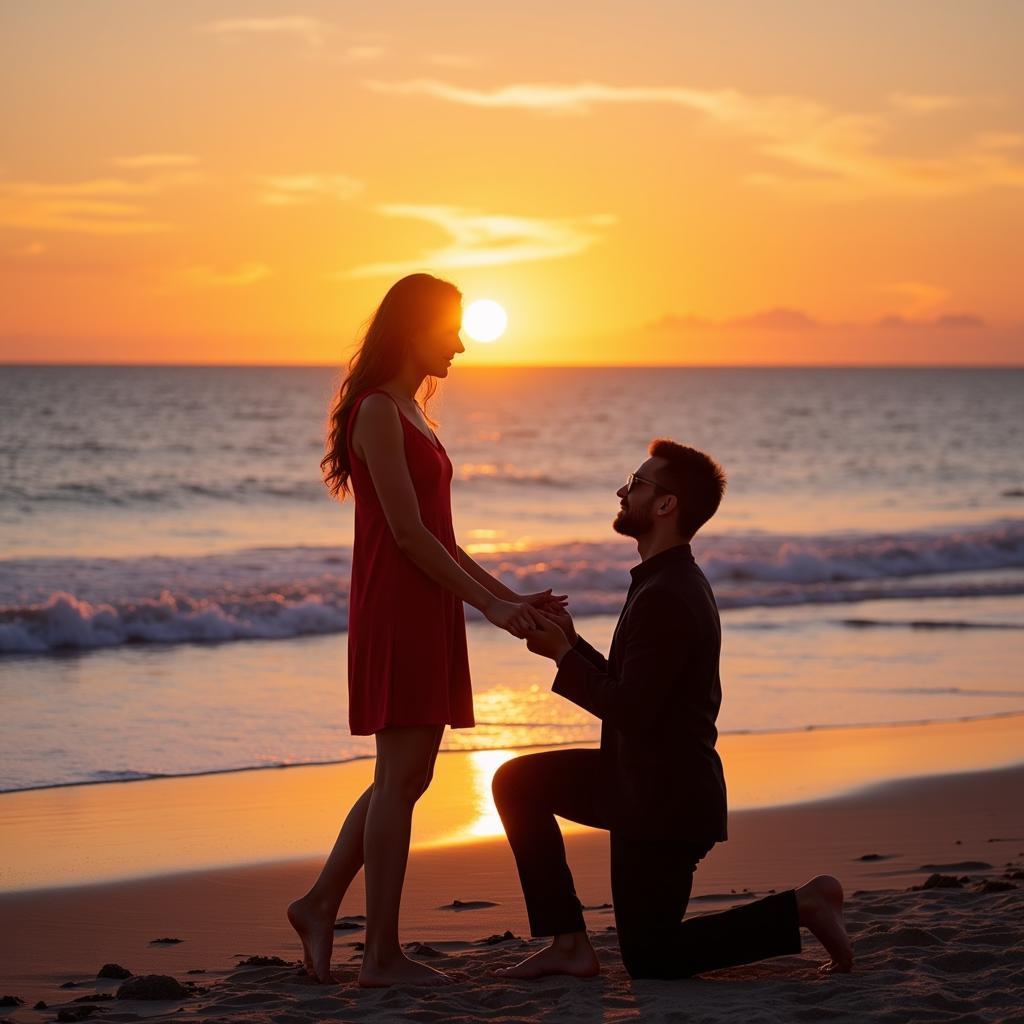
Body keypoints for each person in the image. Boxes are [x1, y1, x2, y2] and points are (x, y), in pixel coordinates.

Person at [287, 273, 566, 988]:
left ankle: (320, 905)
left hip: (428, 602)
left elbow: (441, 536)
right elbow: (409, 538)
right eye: (451, 329)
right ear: (414, 328)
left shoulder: (412, 412)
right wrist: (491, 609)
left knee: (403, 777)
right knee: (401, 776)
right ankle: (378, 954)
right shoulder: (379, 411)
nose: (463, 345)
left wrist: (509, 596)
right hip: (398, 606)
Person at [492, 438, 854, 980]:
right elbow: (635, 687)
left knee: (653, 957)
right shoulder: (665, 580)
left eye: (636, 483)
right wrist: (573, 643)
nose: (623, 490)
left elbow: (632, 711)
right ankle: (568, 943)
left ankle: (803, 906)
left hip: (665, 802)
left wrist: (564, 656)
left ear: (665, 505)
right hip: (637, 781)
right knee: (517, 782)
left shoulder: (668, 592)